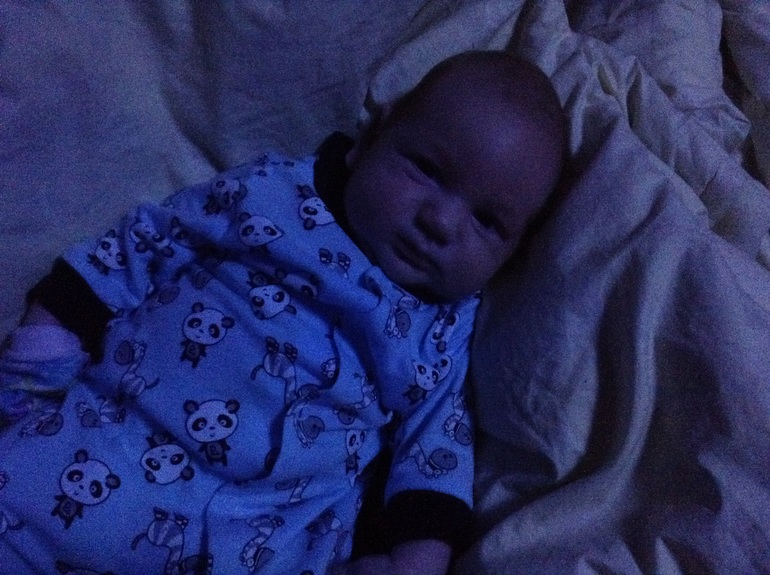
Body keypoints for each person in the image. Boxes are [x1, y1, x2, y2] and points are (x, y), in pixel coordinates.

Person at [0, 50, 567, 575]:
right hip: (101, 447)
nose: (440, 222)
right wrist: (48, 337)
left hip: (257, 542)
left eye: (488, 222)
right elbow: (149, 239)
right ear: (371, 139)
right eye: (426, 168)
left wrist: (413, 562)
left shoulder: (442, 330)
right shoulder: (274, 193)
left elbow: (436, 451)